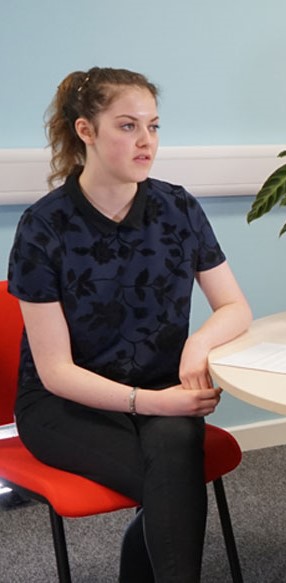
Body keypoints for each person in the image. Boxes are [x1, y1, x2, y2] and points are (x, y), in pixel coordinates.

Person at [7, 67, 253, 582]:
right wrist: (156, 402)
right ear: (85, 131)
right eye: (127, 126)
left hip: (164, 389)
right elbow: (55, 373)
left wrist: (197, 347)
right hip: (65, 405)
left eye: (154, 126)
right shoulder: (44, 227)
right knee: (173, 475)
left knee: (173, 450)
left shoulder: (178, 207)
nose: (147, 142)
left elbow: (234, 307)